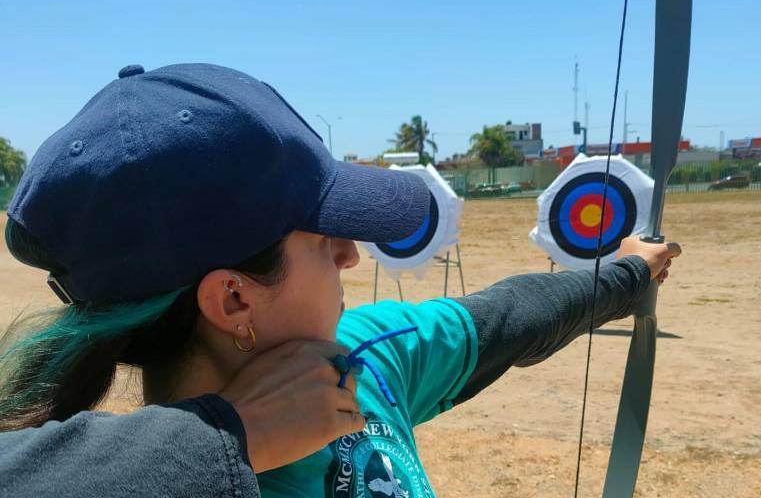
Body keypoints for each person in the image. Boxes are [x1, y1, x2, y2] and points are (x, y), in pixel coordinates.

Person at [0, 63, 680, 497]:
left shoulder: (363, 355)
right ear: (234, 298)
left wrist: (625, 273)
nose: (353, 256)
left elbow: (507, 317)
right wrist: (231, 438)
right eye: (325, 240)